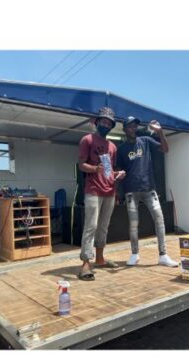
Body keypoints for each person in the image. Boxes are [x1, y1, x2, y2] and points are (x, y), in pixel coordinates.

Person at [117, 116, 178, 267]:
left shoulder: (145, 140)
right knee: (133, 224)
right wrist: (119, 176)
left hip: (149, 189)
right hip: (130, 191)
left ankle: (163, 255)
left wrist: (160, 132)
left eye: (135, 126)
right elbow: (118, 169)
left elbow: (165, 149)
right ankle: (134, 254)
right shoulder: (121, 149)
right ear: (124, 130)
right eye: (130, 126)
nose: (134, 128)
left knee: (159, 219)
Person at [77, 107, 126, 280]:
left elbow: (108, 170)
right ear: (97, 122)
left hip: (109, 190)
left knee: (104, 226)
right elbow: (81, 165)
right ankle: (85, 263)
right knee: (91, 226)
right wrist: (94, 169)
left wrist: (118, 174)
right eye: (103, 121)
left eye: (109, 123)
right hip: (93, 190)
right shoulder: (87, 139)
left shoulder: (112, 146)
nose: (106, 124)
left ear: (111, 126)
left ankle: (99, 258)